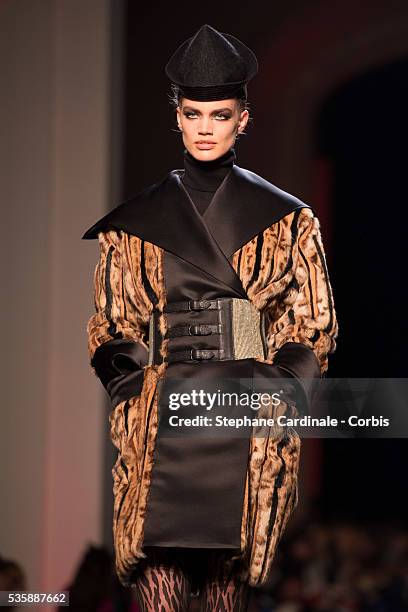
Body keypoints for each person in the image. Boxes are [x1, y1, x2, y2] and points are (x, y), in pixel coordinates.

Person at [82, 24, 338, 611]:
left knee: (228, 590)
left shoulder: (287, 220)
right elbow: (110, 321)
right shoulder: (134, 222)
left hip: (242, 425)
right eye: (194, 114)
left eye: (219, 115)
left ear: (242, 119)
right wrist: (134, 383)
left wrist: (278, 386)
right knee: (158, 581)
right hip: (161, 424)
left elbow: (313, 324)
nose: (205, 128)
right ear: (177, 116)